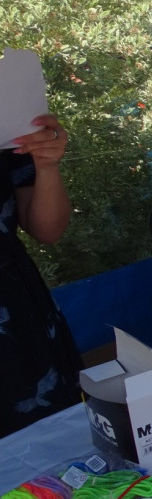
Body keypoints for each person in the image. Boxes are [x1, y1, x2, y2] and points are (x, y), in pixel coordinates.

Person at [1, 114, 83, 437]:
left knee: (51, 445)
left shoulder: (7, 105)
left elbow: (48, 229)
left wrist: (47, 166)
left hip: (14, 316)